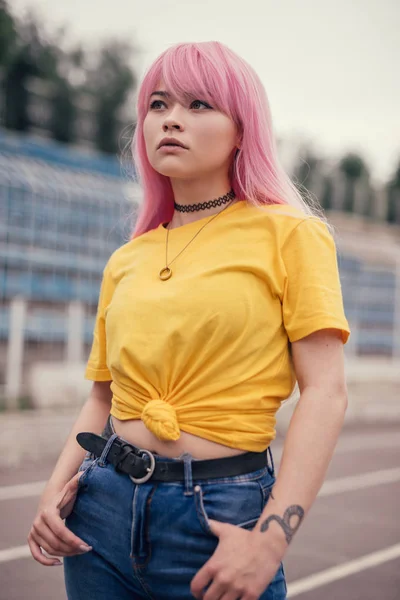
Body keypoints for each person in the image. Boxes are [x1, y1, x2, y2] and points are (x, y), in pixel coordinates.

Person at [28, 41, 351, 600]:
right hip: (99, 508)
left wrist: (270, 541)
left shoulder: (291, 234)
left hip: (219, 516)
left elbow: (325, 392)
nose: (171, 119)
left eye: (199, 104)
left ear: (242, 130)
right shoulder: (127, 257)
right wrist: (53, 490)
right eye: (158, 104)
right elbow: (102, 397)